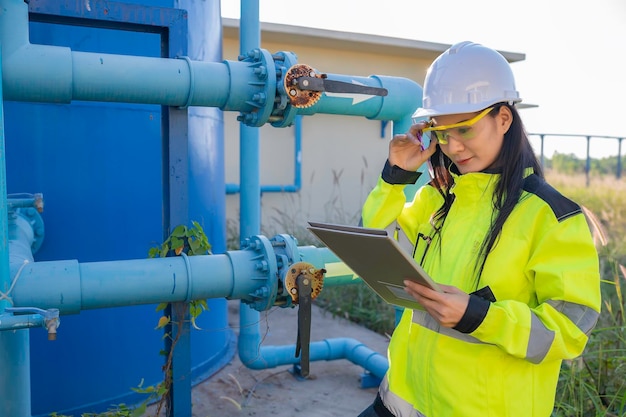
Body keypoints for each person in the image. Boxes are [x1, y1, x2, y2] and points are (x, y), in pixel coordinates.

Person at [357, 41, 601, 417]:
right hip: (399, 402)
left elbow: (569, 330)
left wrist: (480, 316)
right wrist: (395, 178)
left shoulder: (551, 217)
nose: (452, 146)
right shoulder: (436, 198)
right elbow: (375, 246)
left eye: (465, 129)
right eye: (440, 131)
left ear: (503, 119)